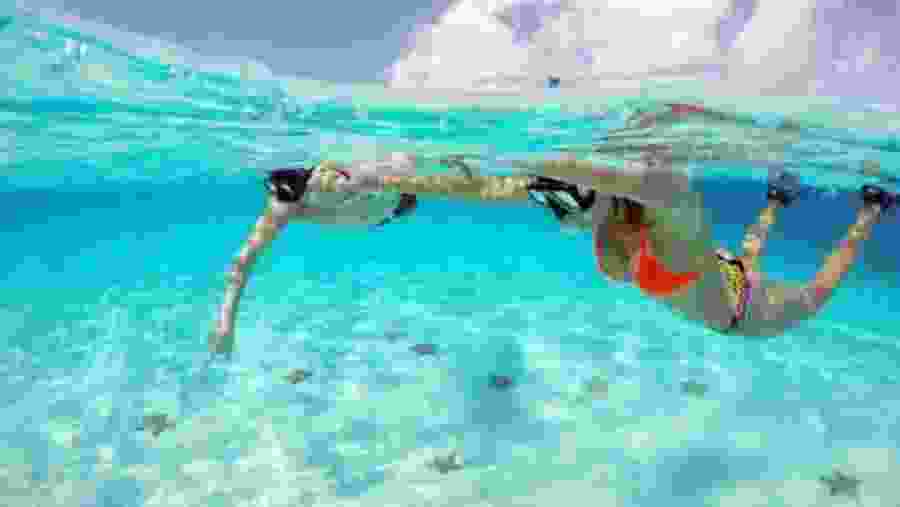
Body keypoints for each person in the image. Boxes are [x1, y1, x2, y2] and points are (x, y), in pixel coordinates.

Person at [210, 150, 895, 354]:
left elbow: (497, 191)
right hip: (717, 296)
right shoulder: (702, 270)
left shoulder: (657, 250)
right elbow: (680, 195)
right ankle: (818, 206)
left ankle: (838, 208)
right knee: (793, 280)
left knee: (760, 256)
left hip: (702, 278)